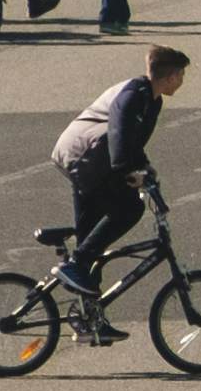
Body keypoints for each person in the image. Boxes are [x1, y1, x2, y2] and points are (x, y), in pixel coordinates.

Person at [45, 46, 190, 316]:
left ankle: (90, 318)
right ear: (170, 77)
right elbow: (120, 136)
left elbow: (134, 144)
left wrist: (146, 170)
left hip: (94, 160)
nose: (182, 81)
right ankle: (75, 264)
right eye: (181, 75)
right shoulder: (133, 95)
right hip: (82, 158)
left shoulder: (152, 100)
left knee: (91, 244)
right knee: (129, 208)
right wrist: (128, 172)